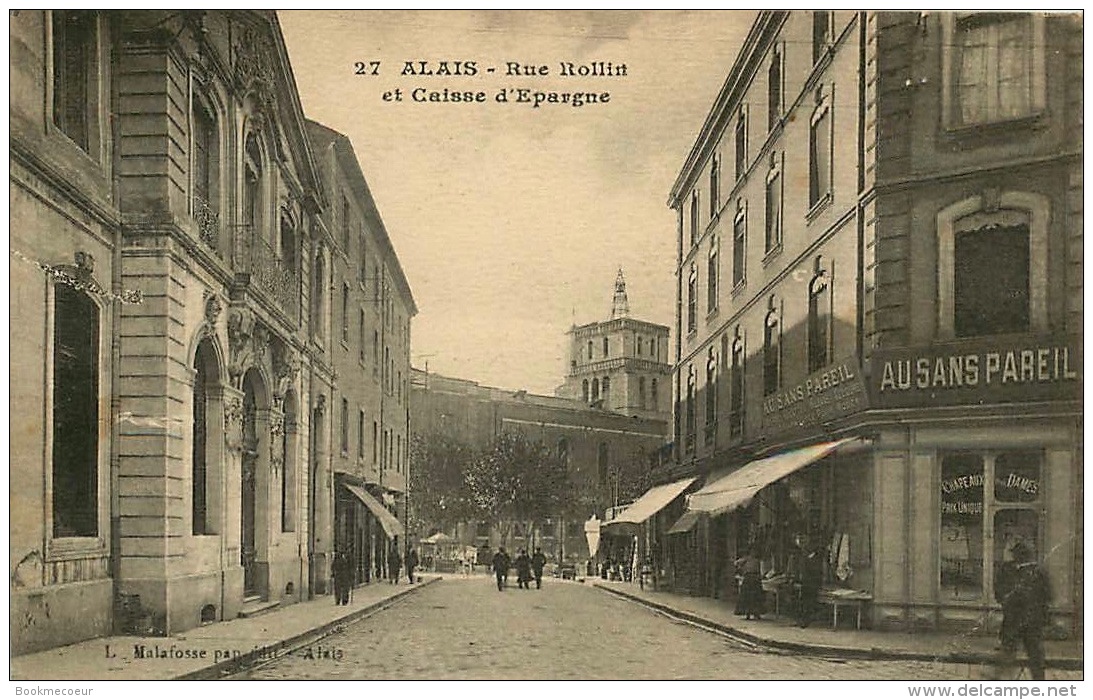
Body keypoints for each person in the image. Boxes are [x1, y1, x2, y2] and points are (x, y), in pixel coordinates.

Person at [994, 541, 1051, 681]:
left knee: (1027, 655)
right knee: (1018, 654)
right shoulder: (1009, 570)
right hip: (1021, 620)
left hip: (1026, 621)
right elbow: (999, 593)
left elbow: (1047, 596)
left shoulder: (1035, 572)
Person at [796, 540, 824, 628]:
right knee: (805, 602)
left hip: (811, 583)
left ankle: (806, 620)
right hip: (806, 583)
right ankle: (803, 620)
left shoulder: (814, 559)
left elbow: (817, 573)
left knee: (808, 602)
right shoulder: (805, 558)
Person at [734, 545, 766, 621]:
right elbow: (736, 563)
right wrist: (741, 568)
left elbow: (762, 571)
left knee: (756, 597)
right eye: (752, 551)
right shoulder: (746, 559)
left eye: (755, 551)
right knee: (747, 597)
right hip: (748, 578)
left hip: (756, 579)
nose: (754, 553)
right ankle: (747, 613)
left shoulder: (758, 560)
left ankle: (756, 614)